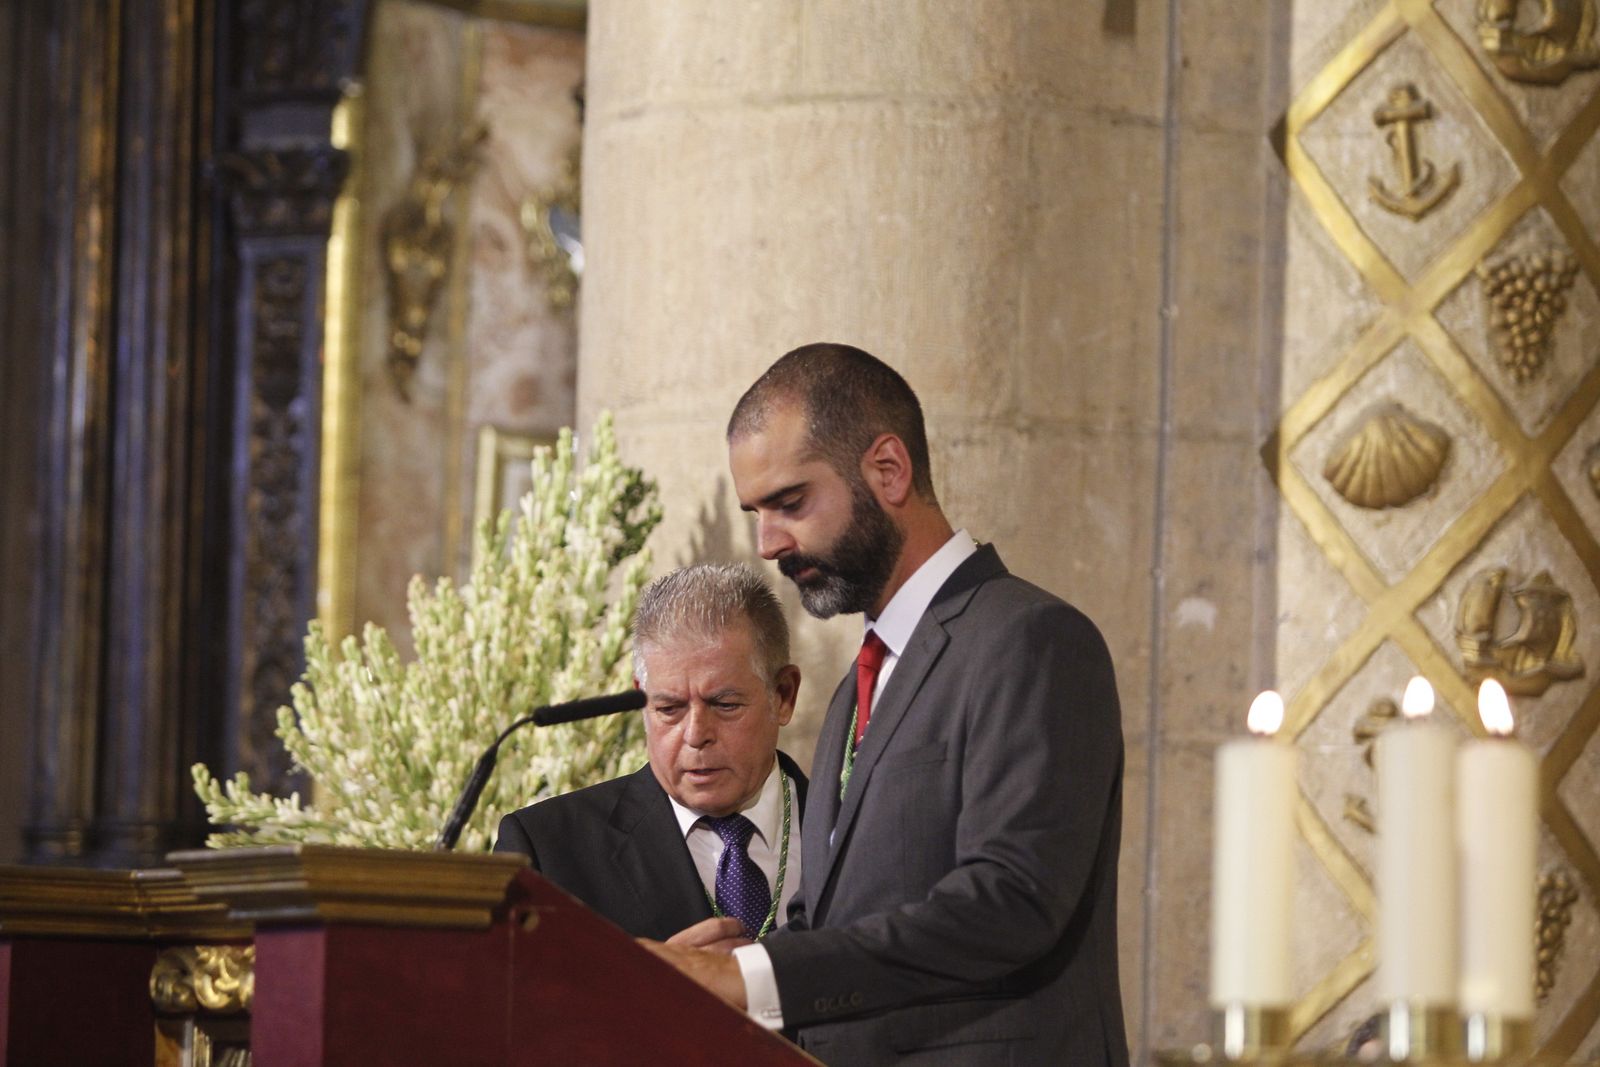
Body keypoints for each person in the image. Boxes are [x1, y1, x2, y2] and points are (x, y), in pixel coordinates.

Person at [645, 343, 1129, 1065]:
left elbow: (1013, 899)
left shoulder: (1032, 638)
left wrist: (753, 976)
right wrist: (714, 963)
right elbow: (842, 917)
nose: (769, 542)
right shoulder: (855, 689)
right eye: (756, 511)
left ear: (888, 470)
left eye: (790, 502)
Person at [495, 563, 808, 944]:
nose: (695, 735)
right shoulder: (549, 850)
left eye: (725, 704)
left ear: (783, 696)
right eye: (669, 709)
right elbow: (506, 1001)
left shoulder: (852, 826)